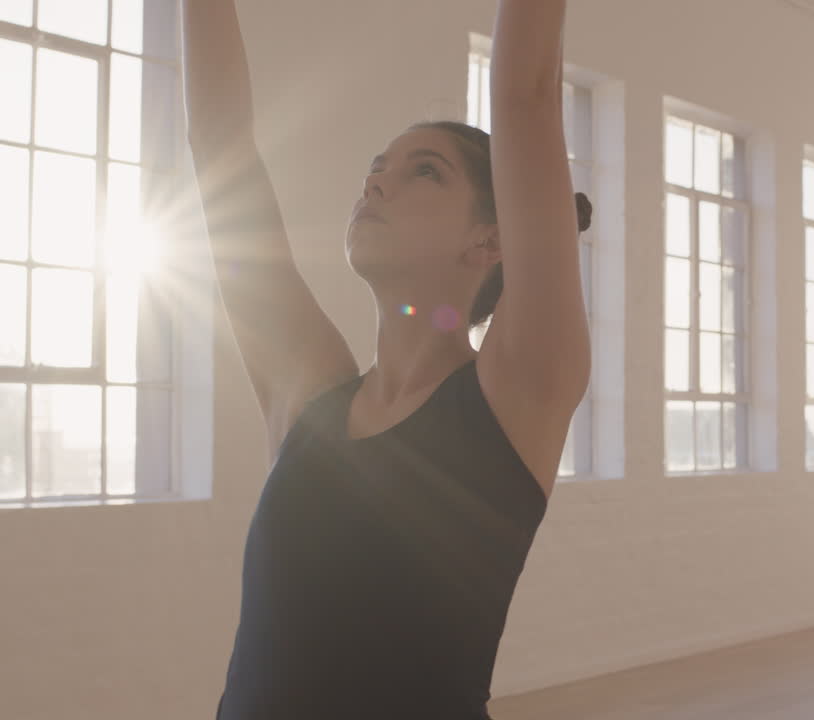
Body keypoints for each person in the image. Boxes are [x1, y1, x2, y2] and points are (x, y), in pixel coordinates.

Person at [182, 0, 590, 716]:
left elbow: (526, 96)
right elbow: (221, 142)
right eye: (378, 168)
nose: (375, 183)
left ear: (490, 242)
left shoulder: (521, 385)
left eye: (422, 172)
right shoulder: (307, 400)